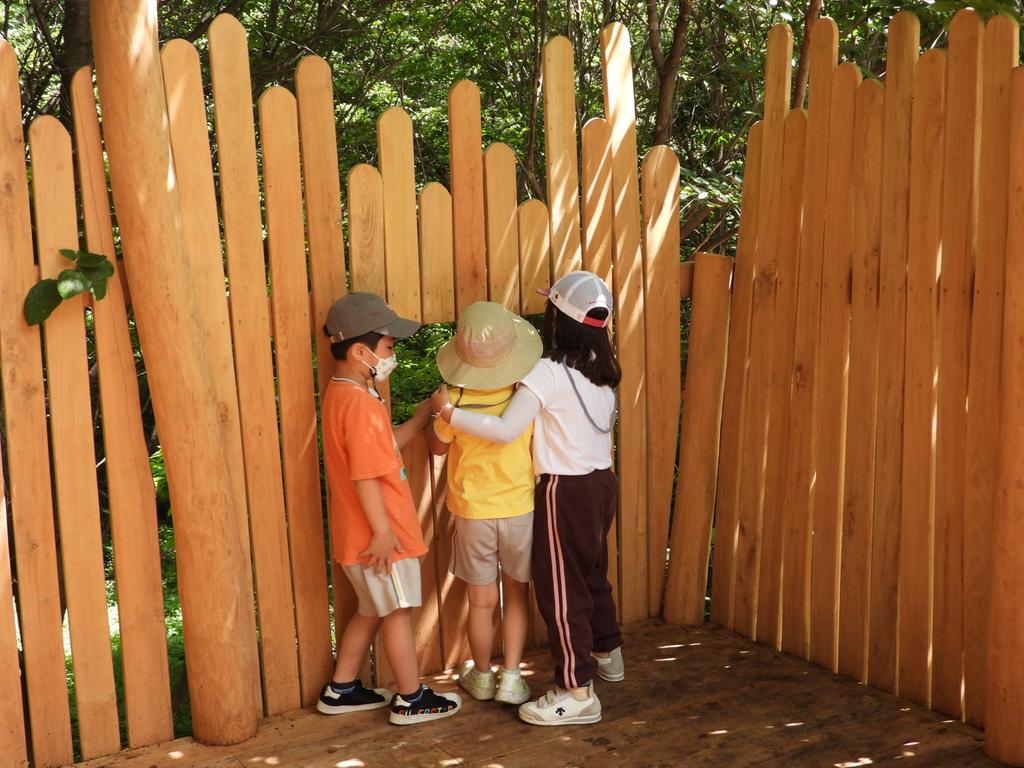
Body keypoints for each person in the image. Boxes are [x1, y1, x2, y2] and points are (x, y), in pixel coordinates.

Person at [435, 271, 624, 726]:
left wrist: (448, 412)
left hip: (565, 489)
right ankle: (608, 652)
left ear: (558, 319)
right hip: (602, 483)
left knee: (562, 591)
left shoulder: (548, 371)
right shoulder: (600, 366)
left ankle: (577, 692)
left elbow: (504, 430)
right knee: (591, 573)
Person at [316, 291, 461, 725]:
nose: (392, 354)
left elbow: (382, 448)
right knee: (397, 611)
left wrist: (420, 417)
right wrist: (383, 533)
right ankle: (411, 699)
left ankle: (341, 689)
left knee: (372, 608)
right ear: (360, 352)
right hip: (381, 540)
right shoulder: (360, 404)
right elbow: (365, 475)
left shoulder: (345, 394)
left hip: (358, 537)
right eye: (388, 346)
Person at [427, 301, 542, 707]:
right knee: (517, 594)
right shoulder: (525, 395)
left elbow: (437, 447)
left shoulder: (454, 400)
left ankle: (482, 675)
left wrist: (439, 413)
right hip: (520, 508)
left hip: (473, 512)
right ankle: (512, 676)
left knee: (480, 601)